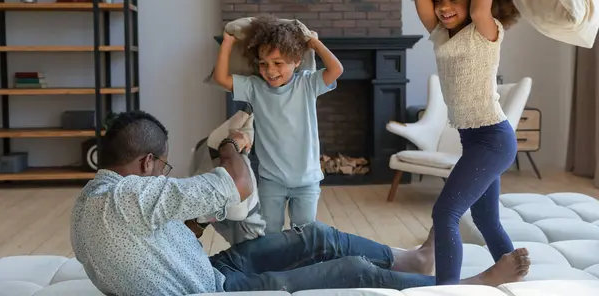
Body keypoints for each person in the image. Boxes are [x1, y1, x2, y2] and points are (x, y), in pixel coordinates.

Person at [71, 111, 531, 296]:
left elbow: (157, 244)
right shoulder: (131, 195)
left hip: (210, 270)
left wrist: (194, 222)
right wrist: (228, 143)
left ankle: (414, 258)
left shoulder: (94, 200)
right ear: (148, 162)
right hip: (216, 292)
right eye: (166, 166)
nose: (167, 173)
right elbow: (239, 183)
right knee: (352, 272)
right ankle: (465, 285)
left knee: (315, 235)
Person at [402, 0, 526, 285]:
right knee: (486, 220)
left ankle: (447, 291)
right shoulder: (441, 35)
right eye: (440, 1)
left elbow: (479, 5)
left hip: (494, 138)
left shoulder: (486, 30)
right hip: (474, 140)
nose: (443, 7)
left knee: (445, 213)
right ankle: (512, 279)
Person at [213, 16, 343, 234]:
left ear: (297, 60)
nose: (270, 70)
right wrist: (227, 44)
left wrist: (315, 43)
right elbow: (221, 79)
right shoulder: (254, 87)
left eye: (278, 63)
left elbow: (336, 70)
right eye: (263, 64)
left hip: (307, 181)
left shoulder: (307, 83)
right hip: (271, 180)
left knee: (305, 235)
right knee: (269, 235)